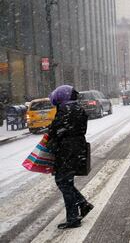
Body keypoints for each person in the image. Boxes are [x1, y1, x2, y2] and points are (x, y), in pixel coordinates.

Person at [48, 85, 93, 229]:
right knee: (66, 181)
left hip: (67, 150)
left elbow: (55, 130)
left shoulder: (65, 110)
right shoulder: (78, 108)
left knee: (63, 181)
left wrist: (53, 137)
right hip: (77, 147)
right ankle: (82, 205)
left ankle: (74, 217)